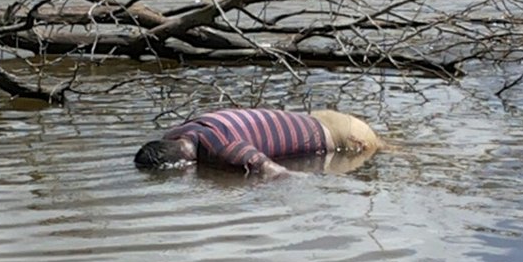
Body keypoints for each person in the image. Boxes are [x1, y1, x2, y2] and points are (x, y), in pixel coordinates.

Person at [134, 108, 385, 176]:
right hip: (318, 118)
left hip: (348, 137)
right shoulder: (177, 133)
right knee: (392, 147)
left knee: (385, 150)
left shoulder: (221, 147)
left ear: (184, 165)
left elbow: (276, 172)